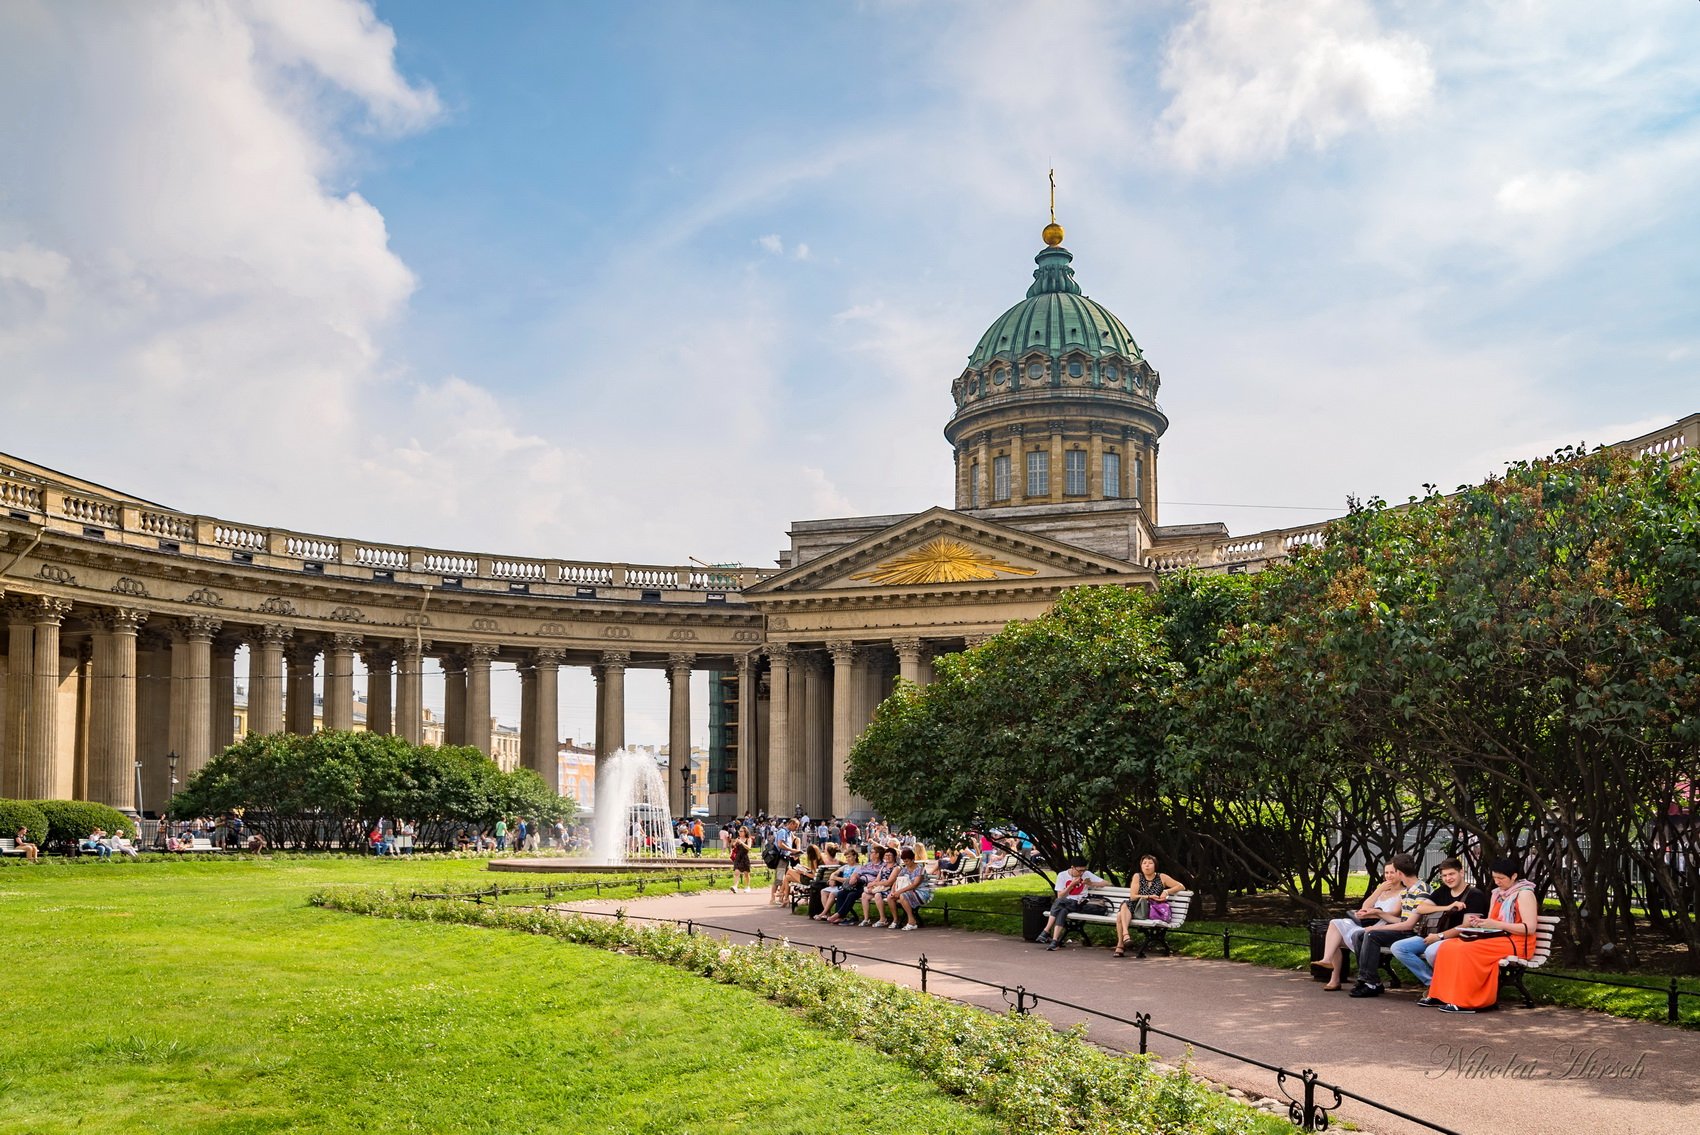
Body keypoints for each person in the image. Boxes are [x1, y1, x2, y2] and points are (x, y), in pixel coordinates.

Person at [1424, 857, 1540, 1013]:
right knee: (1448, 946)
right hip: (1498, 938)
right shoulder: (1497, 894)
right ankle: (1440, 995)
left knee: (1465, 950)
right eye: (1495, 878)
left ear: (1513, 876)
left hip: (1517, 943)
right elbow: (1493, 921)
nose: (1497, 882)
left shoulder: (1524, 894)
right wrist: (1480, 922)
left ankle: (1468, 1002)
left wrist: (1496, 925)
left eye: (1501, 878)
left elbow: (1529, 928)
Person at [1389, 858, 1490, 999]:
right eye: (1444, 876)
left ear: (1461, 872)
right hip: (1433, 934)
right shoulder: (1443, 891)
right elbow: (1421, 907)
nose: (1448, 879)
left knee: (1431, 952)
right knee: (1399, 947)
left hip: (1458, 939)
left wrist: (1440, 936)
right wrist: (1447, 907)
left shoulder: (1474, 895)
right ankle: (1433, 983)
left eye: (1451, 874)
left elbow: (1467, 925)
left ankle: (1445, 986)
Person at [1314, 859, 1411, 991]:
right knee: (1335, 924)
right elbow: (1365, 906)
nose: (1388, 876)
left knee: (1340, 937)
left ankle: (1339, 976)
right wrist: (1378, 890)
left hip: (1383, 926)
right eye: (1386, 872)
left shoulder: (1403, 893)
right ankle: (1330, 967)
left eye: (1392, 872)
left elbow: (1394, 913)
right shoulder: (1383, 891)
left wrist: (1374, 913)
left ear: (1399, 874)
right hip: (1368, 923)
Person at [1347, 854, 1429, 997]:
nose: (1391, 875)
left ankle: (1370, 983)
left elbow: (1409, 925)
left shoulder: (1421, 890)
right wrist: (1378, 914)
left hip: (1415, 934)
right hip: (1405, 930)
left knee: (1372, 934)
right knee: (1359, 935)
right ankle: (1370, 981)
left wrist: (1376, 927)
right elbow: (1402, 921)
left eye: (1393, 871)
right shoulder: (1409, 890)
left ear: (1399, 873)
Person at [1112, 854, 1185, 958]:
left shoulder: (1162, 877)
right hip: (1137, 907)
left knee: (1120, 915)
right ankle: (1125, 936)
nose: (1147, 865)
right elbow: (1133, 897)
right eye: (1144, 863)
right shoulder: (1137, 876)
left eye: (1150, 863)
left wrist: (1166, 891)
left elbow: (1181, 886)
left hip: (1152, 909)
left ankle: (1121, 944)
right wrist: (1148, 896)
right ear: (1141, 866)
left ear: (1155, 866)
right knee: (1124, 906)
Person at [1038, 859, 1109, 950]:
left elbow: (1106, 883)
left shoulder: (1086, 874)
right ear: (1072, 867)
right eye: (1080, 870)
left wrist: (1091, 883)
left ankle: (1046, 931)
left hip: (1081, 904)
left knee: (1059, 902)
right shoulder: (1062, 875)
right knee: (1062, 910)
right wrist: (1071, 885)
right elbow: (1060, 895)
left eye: (1083, 870)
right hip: (1066, 904)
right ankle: (1055, 941)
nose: (1081, 873)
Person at [889, 849, 934, 931]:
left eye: (907, 861)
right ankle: (895, 920)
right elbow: (897, 880)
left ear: (913, 859)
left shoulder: (919, 869)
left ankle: (911, 920)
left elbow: (915, 884)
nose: (906, 863)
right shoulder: (904, 869)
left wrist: (899, 891)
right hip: (908, 891)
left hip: (921, 892)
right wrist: (893, 891)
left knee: (903, 896)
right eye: (904, 861)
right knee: (890, 897)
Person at [858, 848, 901, 926]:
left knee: (878, 895)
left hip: (890, 889)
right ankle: (866, 919)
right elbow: (878, 878)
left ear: (894, 856)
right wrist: (872, 884)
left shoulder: (896, 867)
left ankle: (883, 919)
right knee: (864, 895)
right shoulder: (884, 866)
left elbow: (889, 882)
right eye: (886, 855)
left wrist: (876, 884)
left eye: (889, 855)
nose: (887, 857)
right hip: (880, 887)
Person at [767, 819, 801, 905]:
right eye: (796, 826)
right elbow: (780, 844)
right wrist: (791, 850)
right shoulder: (782, 831)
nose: (796, 828)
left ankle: (784, 898)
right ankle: (772, 899)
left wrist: (794, 853)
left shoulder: (790, 833)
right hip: (781, 858)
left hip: (787, 858)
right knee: (779, 878)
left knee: (787, 878)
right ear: (791, 824)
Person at [729, 828, 753, 892]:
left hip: (745, 857)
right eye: (739, 831)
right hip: (738, 857)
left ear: (745, 832)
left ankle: (747, 887)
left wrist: (742, 842)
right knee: (736, 872)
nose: (739, 832)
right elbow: (733, 847)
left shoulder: (748, 839)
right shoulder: (738, 839)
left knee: (746, 874)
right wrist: (733, 843)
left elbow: (749, 848)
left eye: (741, 831)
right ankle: (735, 887)